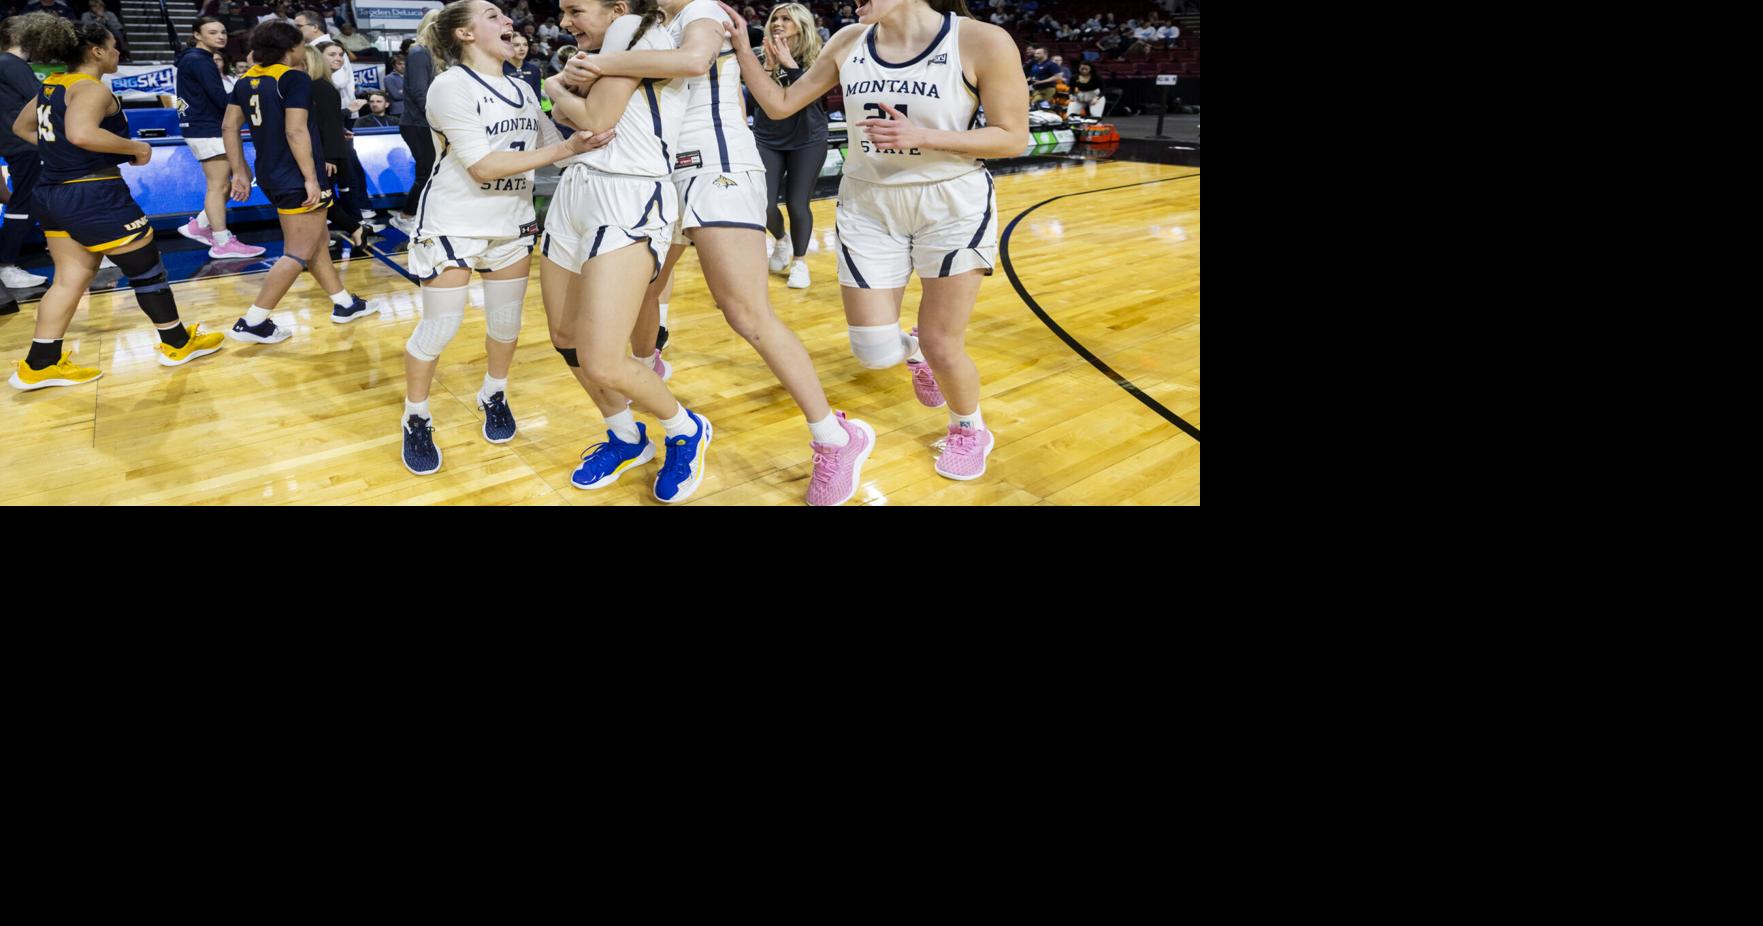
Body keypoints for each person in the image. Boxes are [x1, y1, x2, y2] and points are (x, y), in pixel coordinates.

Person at [565, 0, 877, 505]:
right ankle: (649, 377)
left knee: (745, 312)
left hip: (717, 167)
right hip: (663, 173)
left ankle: (835, 438)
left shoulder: (701, 8)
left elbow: (692, 61)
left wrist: (601, 63)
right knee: (644, 288)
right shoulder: (653, 23)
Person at [724, 0, 1028, 480]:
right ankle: (916, 351)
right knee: (874, 350)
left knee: (944, 342)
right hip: (868, 202)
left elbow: (1012, 138)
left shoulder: (980, 40)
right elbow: (780, 104)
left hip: (950, 201)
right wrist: (742, 46)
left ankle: (969, 427)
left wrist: (922, 136)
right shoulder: (849, 41)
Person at [398, 0, 607, 476]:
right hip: (456, 221)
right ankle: (416, 416)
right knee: (440, 329)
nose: (506, 20)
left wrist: (587, 131)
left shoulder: (522, 88)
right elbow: (483, 165)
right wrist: (566, 146)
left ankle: (494, 393)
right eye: (492, 15)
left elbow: (555, 148)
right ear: (465, 34)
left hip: (511, 222)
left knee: (506, 326)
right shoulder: (449, 86)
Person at [8, 15, 226, 390]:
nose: (117, 51)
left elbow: (22, 128)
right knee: (147, 270)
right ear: (96, 51)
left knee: (69, 279)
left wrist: (60, 152)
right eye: (112, 46)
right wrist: (136, 148)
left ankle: (40, 363)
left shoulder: (53, 85)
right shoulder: (91, 89)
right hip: (93, 194)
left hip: (51, 192)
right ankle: (176, 344)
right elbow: (81, 133)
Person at [220, 20, 371, 345]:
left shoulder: (246, 79)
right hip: (296, 175)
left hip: (271, 173)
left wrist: (239, 171)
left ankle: (345, 304)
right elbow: (296, 130)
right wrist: (310, 178)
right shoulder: (294, 78)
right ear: (291, 49)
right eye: (301, 45)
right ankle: (253, 321)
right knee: (297, 252)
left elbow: (229, 127)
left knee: (316, 244)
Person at [176, 16, 266, 257]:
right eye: (213, 32)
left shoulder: (197, 58)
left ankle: (200, 225)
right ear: (197, 35)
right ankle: (221, 241)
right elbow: (218, 97)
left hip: (205, 127)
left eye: (223, 32)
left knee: (236, 177)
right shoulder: (199, 60)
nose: (220, 36)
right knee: (218, 185)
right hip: (205, 128)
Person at [750, 2, 824, 289]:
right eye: (775, 18)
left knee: (797, 203)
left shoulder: (819, 58)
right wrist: (768, 66)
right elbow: (757, 103)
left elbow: (810, 98)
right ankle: (782, 241)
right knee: (764, 204)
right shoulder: (760, 57)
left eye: (786, 19)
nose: (778, 23)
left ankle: (800, 263)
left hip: (807, 139)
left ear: (801, 26)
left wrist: (789, 64)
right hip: (768, 138)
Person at [0, 12, 49, 290]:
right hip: (24, 143)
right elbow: (41, 98)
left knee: (40, 199)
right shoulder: (11, 62)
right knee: (23, 201)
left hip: (20, 142)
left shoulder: (8, 63)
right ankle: (5, 265)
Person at [389, 12, 436, 235]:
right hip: (418, 123)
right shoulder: (419, 52)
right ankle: (405, 216)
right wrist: (441, 116)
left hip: (429, 122)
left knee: (435, 172)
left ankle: (426, 214)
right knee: (425, 172)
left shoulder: (437, 53)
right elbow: (420, 93)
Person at [507, 30, 541, 97]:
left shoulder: (534, 70)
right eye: (517, 45)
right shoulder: (499, 69)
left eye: (525, 45)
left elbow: (537, 99)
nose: (522, 49)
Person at [382, 51, 405, 117]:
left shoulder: (411, 77)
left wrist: (402, 91)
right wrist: (411, 92)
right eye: (399, 64)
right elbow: (396, 96)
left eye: (404, 64)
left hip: (412, 111)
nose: (403, 66)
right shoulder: (388, 78)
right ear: (393, 66)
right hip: (398, 111)